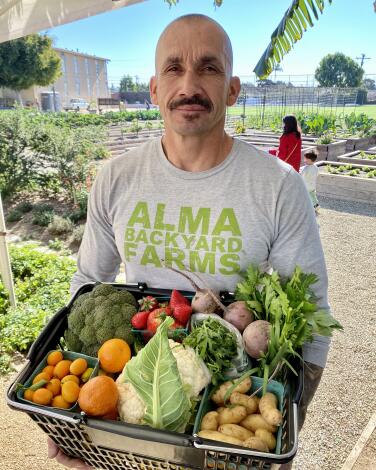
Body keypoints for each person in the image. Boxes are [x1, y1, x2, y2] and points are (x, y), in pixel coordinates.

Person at [50, 14, 330, 469]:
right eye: (173, 68)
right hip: (134, 419)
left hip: (228, 419)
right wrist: (72, 422)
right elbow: (87, 281)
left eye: (209, 68)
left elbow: (314, 320)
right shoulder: (116, 179)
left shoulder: (278, 187)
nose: (190, 84)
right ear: (155, 88)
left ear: (232, 90)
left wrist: (278, 432)